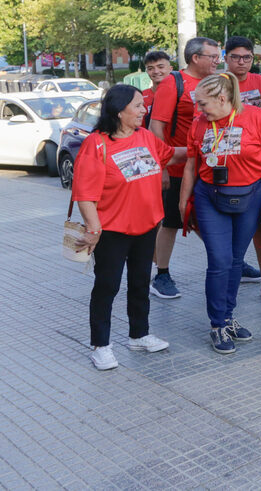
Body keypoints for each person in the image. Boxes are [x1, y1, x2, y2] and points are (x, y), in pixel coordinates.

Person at [72, 84, 186, 370]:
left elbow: (169, 154)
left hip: (146, 226)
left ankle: (139, 334)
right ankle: (101, 345)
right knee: (107, 286)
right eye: (137, 105)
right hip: (111, 230)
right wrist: (93, 229)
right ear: (119, 110)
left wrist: (201, 146)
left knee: (139, 283)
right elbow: (84, 194)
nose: (143, 110)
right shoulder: (96, 144)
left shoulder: (144, 136)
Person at [178, 73, 261, 354]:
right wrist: (183, 201)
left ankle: (227, 317)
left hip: (251, 196)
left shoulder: (257, 118)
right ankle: (217, 325)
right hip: (210, 196)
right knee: (219, 260)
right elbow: (191, 164)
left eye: (203, 104)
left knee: (236, 259)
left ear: (222, 99)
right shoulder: (199, 123)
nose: (199, 109)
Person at [149, 36, 222, 299]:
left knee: (208, 218)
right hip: (177, 169)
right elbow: (156, 126)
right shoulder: (173, 82)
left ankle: (228, 261)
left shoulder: (214, 82)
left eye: (218, 56)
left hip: (207, 168)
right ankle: (162, 274)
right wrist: (163, 167)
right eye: (212, 56)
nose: (217, 61)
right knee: (170, 221)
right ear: (195, 58)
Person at [224, 35, 261, 303]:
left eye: (247, 57)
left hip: (258, 165)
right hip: (226, 167)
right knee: (225, 228)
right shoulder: (218, 83)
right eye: (236, 57)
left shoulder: (259, 82)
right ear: (226, 58)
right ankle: (228, 275)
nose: (241, 62)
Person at [142, 50, 172, 123]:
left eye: (160, 67)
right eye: (150, 68)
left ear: (170, 69)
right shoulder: (141, 97)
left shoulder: (181, 93)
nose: (156, 71)